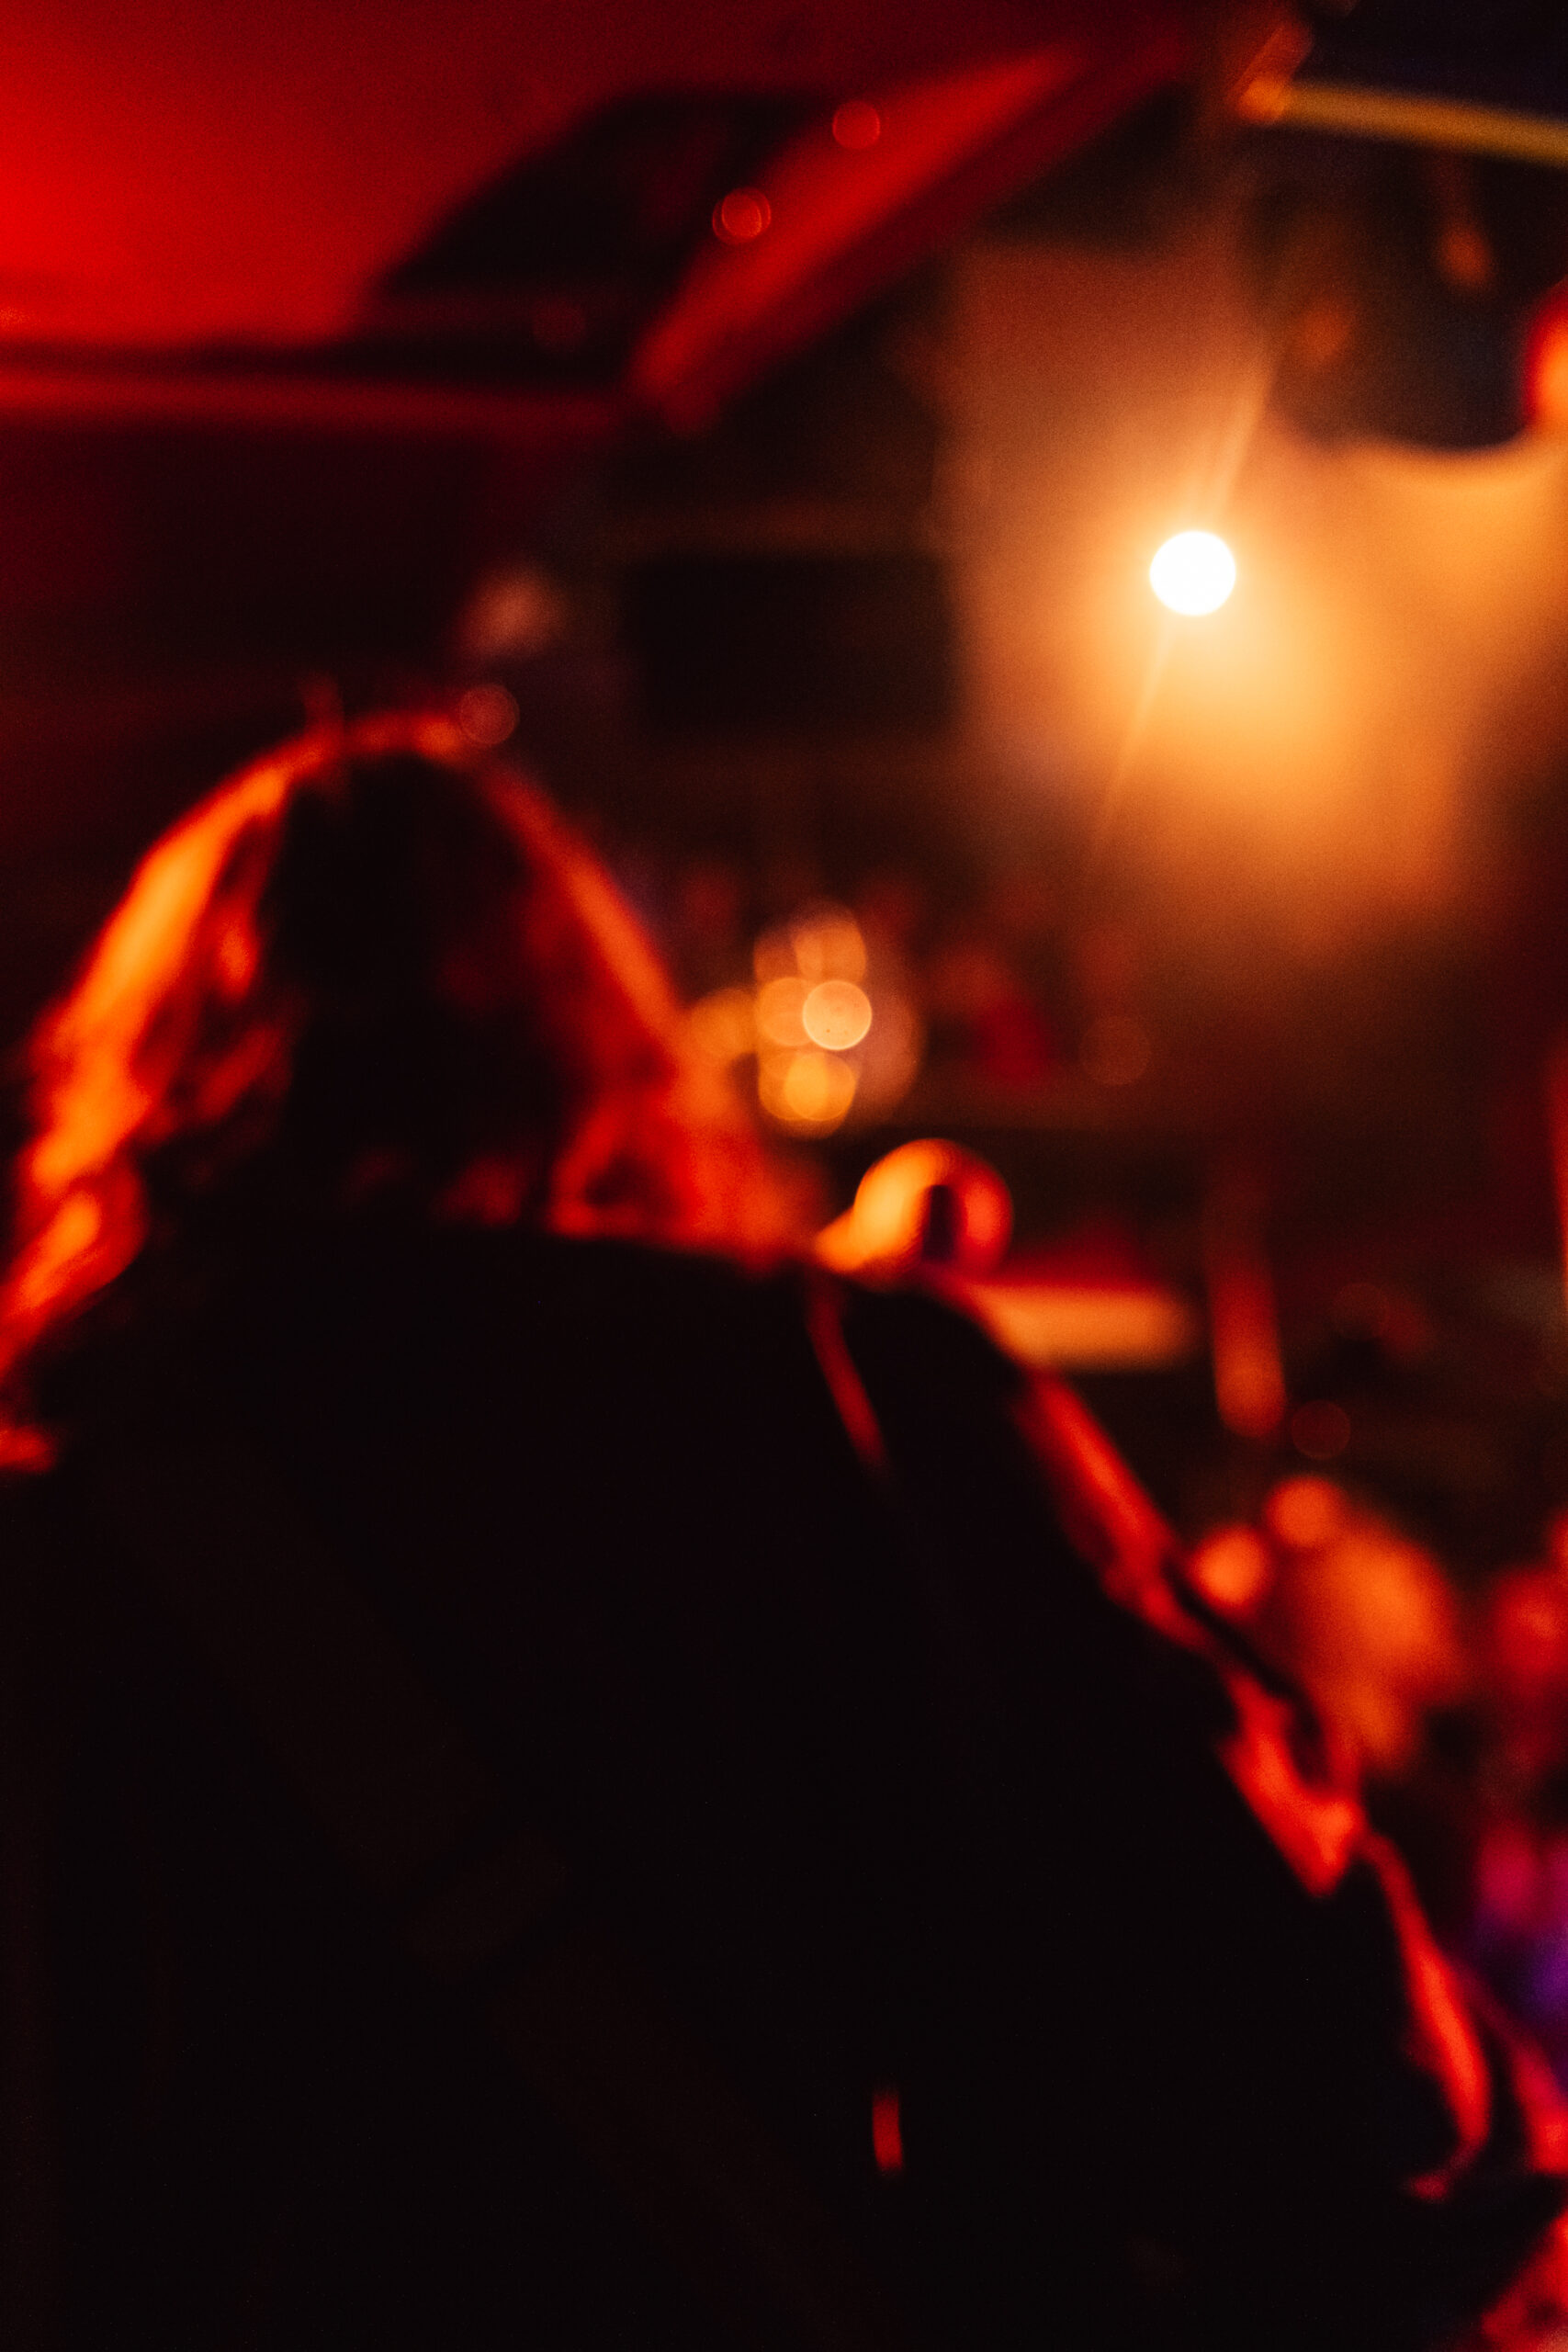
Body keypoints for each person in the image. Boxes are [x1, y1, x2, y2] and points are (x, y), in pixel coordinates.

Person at [0, 710, 1563, 2352]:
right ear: (592, 1055)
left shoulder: (55, 1539)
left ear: (145, 1094)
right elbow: (1353, 2085)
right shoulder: (830, 1406)